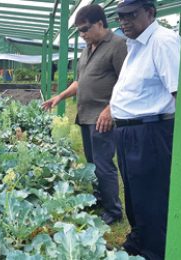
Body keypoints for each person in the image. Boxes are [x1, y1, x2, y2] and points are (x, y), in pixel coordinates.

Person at [42, 4, 127, 225]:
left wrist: (110, 110)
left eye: (85, 29)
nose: (82, 34)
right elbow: (80, 81)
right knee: (92, 163)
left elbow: (126, 83)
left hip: (103, 119)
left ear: (100, 23)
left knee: (103, 164)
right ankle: (100, 199)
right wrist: (59, 97)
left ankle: (113, 210)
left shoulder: (118, 45)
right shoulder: (87, 48)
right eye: (79, 31)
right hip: (86, 116)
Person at [110, 0, 181, 259]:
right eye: (120, 16)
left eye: (131, 15)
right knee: (133, 191)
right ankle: (138, 240)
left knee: (151, 195)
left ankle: (154, 251)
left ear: (150, 13)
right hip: (130, 132)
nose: (124, 21)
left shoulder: (162, 41)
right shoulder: (137, 44)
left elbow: (178, 91)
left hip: (150, 132)